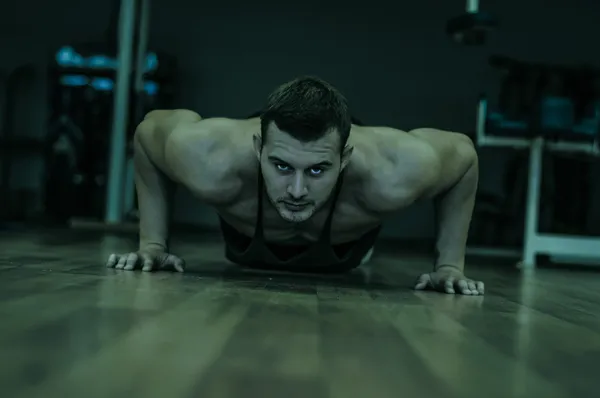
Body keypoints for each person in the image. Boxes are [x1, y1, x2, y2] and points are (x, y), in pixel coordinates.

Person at [106, 76, 485, 295]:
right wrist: (152, 244)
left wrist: (449, 266)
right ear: (258, 149)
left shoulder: (393, 170)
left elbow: (464, 157)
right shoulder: (210, 158)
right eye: (282, 166)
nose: (297, 190)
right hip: (244, 237)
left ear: (345, 159)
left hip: (347, 247)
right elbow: (146, 135)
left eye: (318, 170)